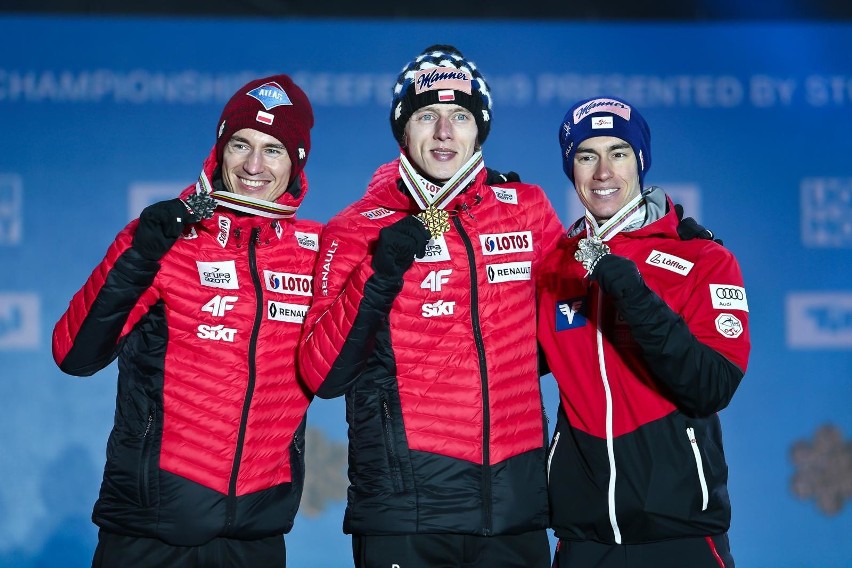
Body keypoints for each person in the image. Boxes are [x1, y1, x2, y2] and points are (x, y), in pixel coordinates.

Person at [297, 45, 563, 567]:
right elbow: (322, 375)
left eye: (460, 116)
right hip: (407, 514)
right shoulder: (355, 229)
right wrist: (379, 271)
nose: (444, 131)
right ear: (403, 130)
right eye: (427, 115)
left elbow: (565, 337)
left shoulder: (526, 210)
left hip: (514, 508)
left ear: (479, 129)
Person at [52, 74, 320, 568]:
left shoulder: (317, 252)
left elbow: (402, 254)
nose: (253, 165)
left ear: (297, 162)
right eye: (240, 144)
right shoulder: (163, 236)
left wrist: (479, 204)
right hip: (148, 533)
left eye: (273, 149)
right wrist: (140, 253)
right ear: (220, 150)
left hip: (254, 536)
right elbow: (75, 355)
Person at [537, 96, 751, 567]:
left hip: (680, 533)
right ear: (571, 169)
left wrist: (632, 294)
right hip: (584, 538)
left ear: (640, 161)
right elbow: (499, 353)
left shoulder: (703, 259)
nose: (603, 173)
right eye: (586, 156)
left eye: (618, 152)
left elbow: (709, 386)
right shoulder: (554, 265)